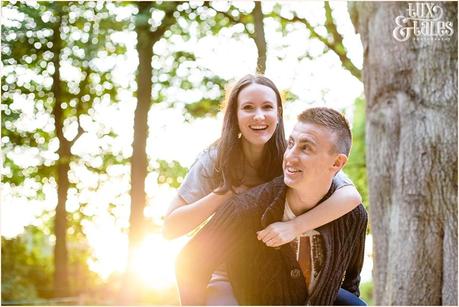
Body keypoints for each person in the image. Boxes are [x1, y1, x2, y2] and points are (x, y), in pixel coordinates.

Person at [163, 75, 362, 305]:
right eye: (248, 108)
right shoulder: (215, 159)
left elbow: (350, 196)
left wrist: (294, 227)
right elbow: (170, 228)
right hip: (225, 267)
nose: (259, 116)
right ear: (235, 116)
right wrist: (225, 192)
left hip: (274, 267)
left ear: (278, 113)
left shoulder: (290, 155)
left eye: (267, 107)